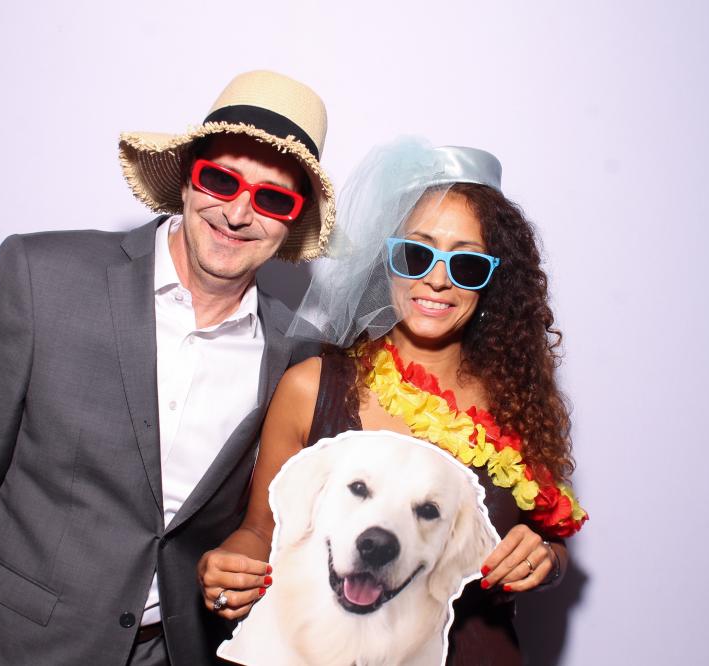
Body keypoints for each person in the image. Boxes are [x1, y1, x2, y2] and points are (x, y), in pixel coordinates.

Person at [0, 70, 336, 666]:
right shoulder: (41, 277)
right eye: (221, 179)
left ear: (292, 220)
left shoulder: (295, 355)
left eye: (272, 198)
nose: (237, 213)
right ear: (189, 176)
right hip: (15, 647)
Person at [198, 137, 587, 664]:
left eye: (467, 265)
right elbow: (259, 530)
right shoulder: (311, 388)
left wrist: (547, 561)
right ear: (387, 261)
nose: (437, 280)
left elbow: (548, 542)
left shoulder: (519, 404)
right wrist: (231, 565)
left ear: (494, 281)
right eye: (416, 254)